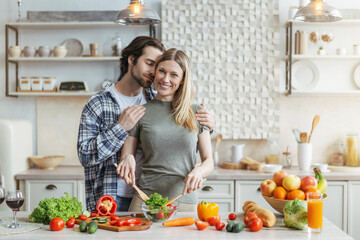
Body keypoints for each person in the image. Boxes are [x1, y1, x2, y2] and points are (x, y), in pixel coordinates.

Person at [77, 36, 214, 212]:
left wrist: (207, 127)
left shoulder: (156, 96)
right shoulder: (100, 104)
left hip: (172, 195)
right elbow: (85, 156)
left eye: (158, 67)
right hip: (114, 195)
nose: (158, 74)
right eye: (151, 64)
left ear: (182, 79)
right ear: (132, 60)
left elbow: (177, 141)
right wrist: (120, 130)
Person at [117, 48, 214, 212]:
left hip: (183, 200)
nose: (165, 79)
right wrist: (127, 159)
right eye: (161, 71)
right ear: (155, 73)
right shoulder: (140, 112)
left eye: (174, 75)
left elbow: (209, 161)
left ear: (182, 80)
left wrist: (199, 172)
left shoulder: (197, 112)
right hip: (144, 200)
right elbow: (127, 154)